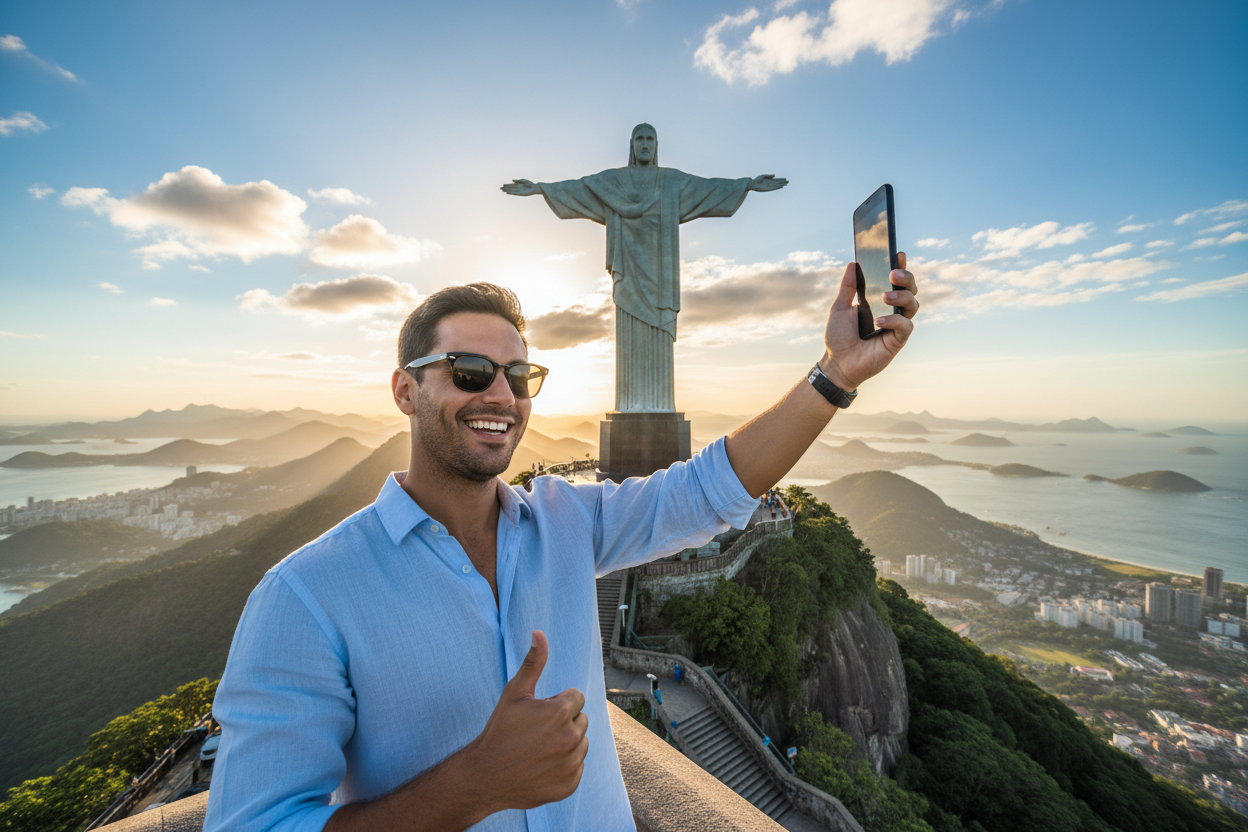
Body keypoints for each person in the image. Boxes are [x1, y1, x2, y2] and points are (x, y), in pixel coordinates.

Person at [205, 261, 918, 831]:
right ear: (403, 389)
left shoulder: (568, 523)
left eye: (519, 378)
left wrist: (836, 373)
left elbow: (708, 490)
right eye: (468, 372)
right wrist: (473, 785)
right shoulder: (306, 596)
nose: (501, 397)